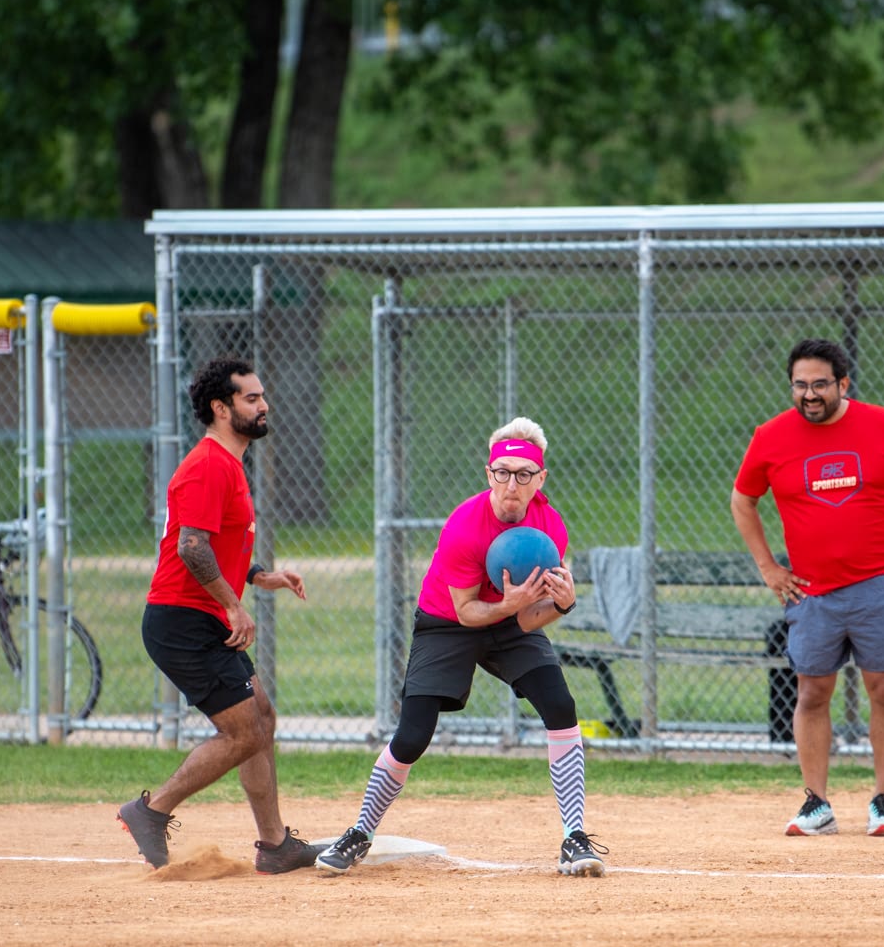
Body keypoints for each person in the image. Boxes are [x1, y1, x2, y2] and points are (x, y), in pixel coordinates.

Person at [314, 418, 610, 877]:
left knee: (559, 704)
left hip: (511, 622)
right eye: (502, 472)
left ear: (541, 479)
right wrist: (511, 604)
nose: (512, 484)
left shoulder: (550, 527)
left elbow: (531, 619)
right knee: (412, 736)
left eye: (524, 474)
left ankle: (574, 837)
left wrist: (564, 605)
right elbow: (467, 611)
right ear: (488, 473)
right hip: (447, 623)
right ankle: (359, 833)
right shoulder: (465, 526)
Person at [116, 358, 328, 870]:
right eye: (251, 398)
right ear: (220, 407)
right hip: (183, 620)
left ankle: (276, 846)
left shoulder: (227, 464)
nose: (264, 405)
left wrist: (257, 577)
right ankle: (151, 810)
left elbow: (213, 540)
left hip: (200, 616)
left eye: (262, 396)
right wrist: (234, 606)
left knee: (262, 719)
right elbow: (191, 548)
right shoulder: (210, 463)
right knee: (244, 731)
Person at [731, 338, 884, 837]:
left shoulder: (883, 423)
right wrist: (768, 567)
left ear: (843, 384)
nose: (809, 394)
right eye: (800, 385)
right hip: (811, 592)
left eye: (820, 384)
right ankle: (816, 804)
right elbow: (744, 501)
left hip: (878, 584)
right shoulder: (771, 436)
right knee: (812, 692)